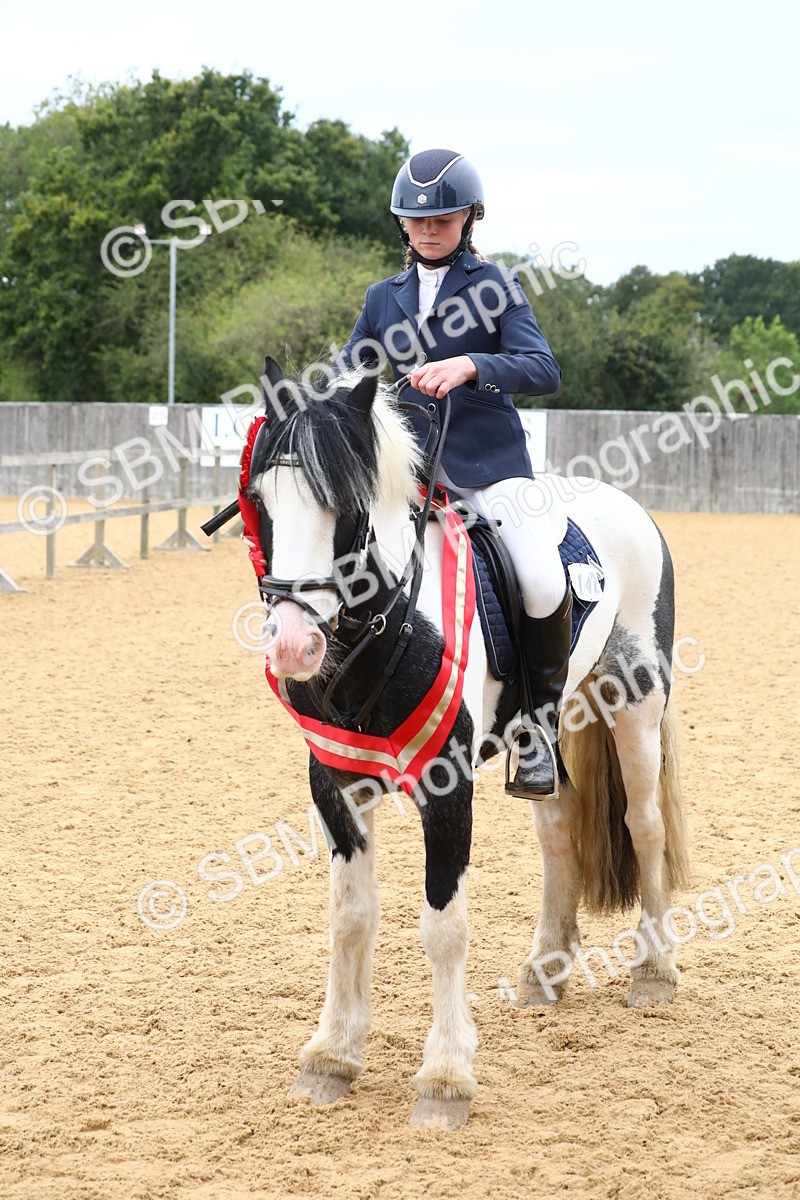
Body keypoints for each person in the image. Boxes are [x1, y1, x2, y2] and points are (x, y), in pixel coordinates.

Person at [336, 148, 571, 800]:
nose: (429, 229)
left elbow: (544, 368)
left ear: (469, 218)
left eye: (442, 217)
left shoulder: (496, 287)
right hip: (409, 481)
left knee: (541, 577)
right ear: (401, 226)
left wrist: (473, 365)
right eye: (416, 220)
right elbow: (350, 377)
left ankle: (539, 729)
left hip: (491, 473)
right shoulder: (383, 298)